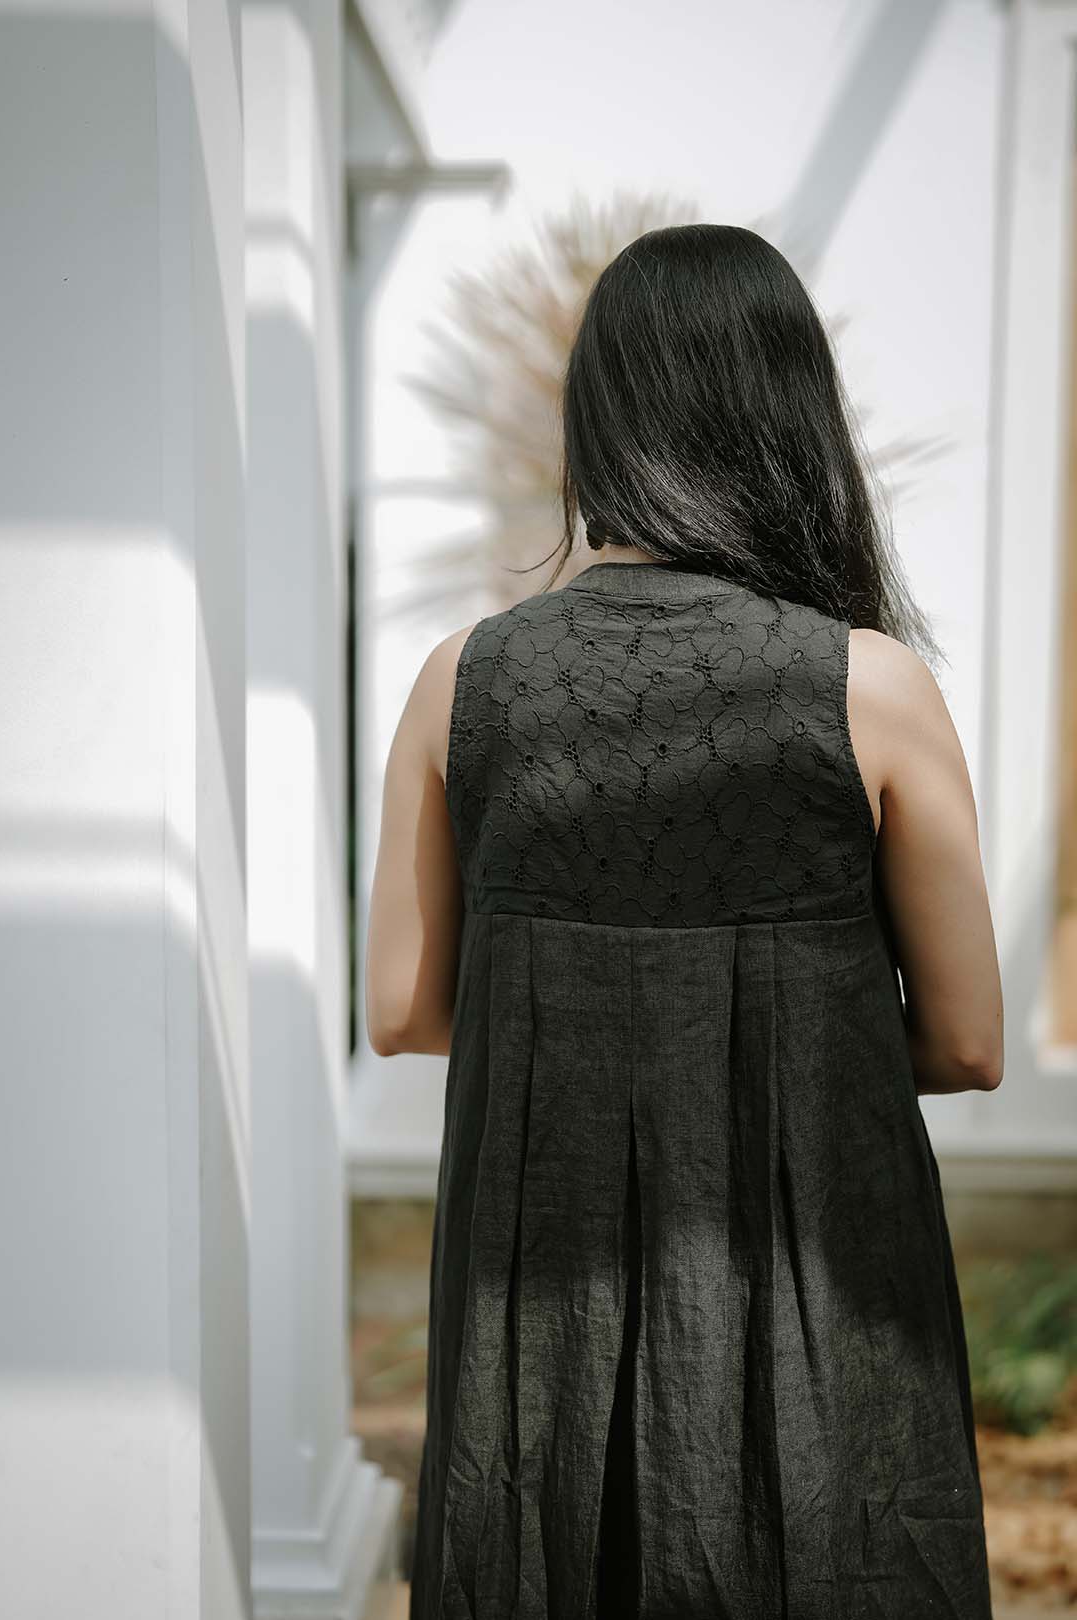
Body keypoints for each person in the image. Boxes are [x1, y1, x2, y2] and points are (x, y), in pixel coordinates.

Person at [366, 223, 1003, 1619]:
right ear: (794, 424)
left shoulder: (459, 682)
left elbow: (401, 1011)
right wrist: (777, 1038)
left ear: (598, 422)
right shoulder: (872, 687)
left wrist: (594, 1025)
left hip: (545, 1313)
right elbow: (968, 1042)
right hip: (819, 1304)